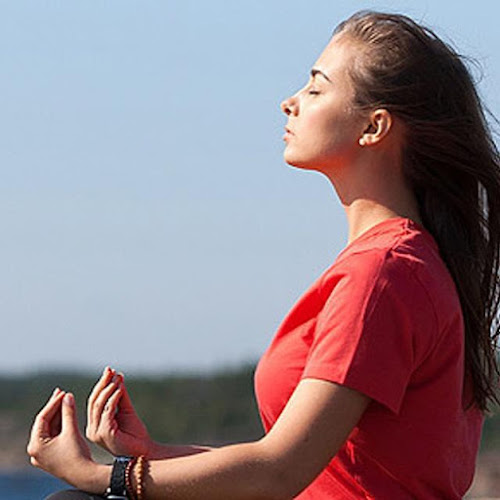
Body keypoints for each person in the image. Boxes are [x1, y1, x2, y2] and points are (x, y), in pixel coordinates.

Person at [28, 10, 500, 499]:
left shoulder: (384, 274)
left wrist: (99, 476)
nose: (289, 102)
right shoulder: (400, 264)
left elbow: (278, 473)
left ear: (374, 127)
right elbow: (313, 472)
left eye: (316, 88)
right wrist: (152, 454)